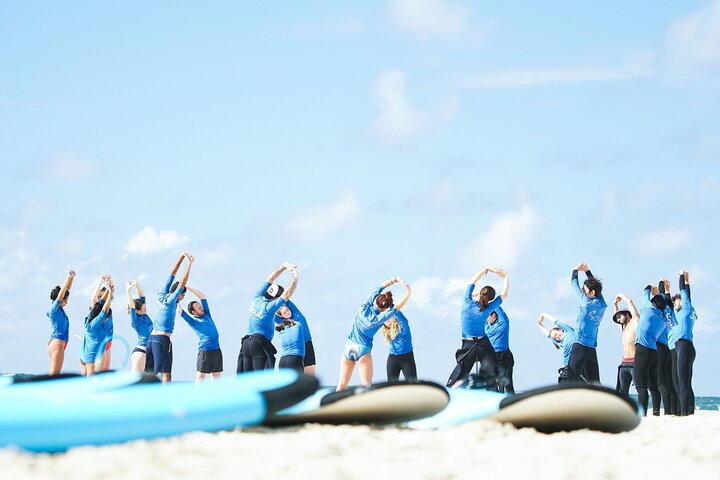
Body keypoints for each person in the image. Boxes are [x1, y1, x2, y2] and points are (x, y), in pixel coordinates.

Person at [336, 277, 408, 391]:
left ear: (376, 300)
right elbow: (396, 309)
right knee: (366, 385)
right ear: (385, 309)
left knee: (342, 384)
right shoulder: (379, 319)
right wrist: (408, 293)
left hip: (349, 347)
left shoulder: (363, 307)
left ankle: (333, 406)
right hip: (363, 350)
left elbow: (378, 288)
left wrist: (393, 280)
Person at [446, 266, 509, 389]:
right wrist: (505, 277)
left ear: (479, 294)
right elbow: (504, 295)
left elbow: (472, 281)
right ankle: (493, 398)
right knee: (491, 377)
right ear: (490, 299)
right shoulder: (489, 308)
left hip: (468, 346)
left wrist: (486, 269)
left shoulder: (466, 301)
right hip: (484, 346)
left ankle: (449, 394)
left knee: (459, 376)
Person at [237, 263, 299, 373]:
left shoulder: (257, 297)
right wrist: (295, 276)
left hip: (246, 343)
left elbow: (270, 278)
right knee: (261, 379)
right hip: (259, 343)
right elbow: (287, 294)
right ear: (275, 298)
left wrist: (284, 266)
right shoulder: (269, 307)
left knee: (246, 379)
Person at [148, 252, 193, 382]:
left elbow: (171, 274)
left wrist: (181, 257)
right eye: (183, 295)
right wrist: (189, 264)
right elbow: (182, 282)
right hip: (162, 339)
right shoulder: (172, 300)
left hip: (151, 340)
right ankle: (166, 401)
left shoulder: (162, 294)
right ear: (179, 294)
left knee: (150, 375)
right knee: (166, 375)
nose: (182, 298)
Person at [567, 261, 607, 383]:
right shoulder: (602, 304)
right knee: (596, 384)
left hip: (579, 346)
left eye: (584, 291)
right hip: (591, 349)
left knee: (570, 380)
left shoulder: (585, 303)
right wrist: (587, 271)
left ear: (592, 293)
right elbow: (596, 287)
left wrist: (575, 270)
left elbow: (574, 284)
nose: (583, 292)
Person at [634, 285, 667, 416]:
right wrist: (659, 295)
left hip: (642, 349)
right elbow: (663, 307)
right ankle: (656, 411)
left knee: (640, 385)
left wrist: (649, 288)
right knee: (653, 386)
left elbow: (645, 293)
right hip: (654, 352)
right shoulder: (663, 320)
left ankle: (642, 414)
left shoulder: (649, 310)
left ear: (654, 303)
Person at [178, 286, 222, 383]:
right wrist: (177, 295)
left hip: (216, 350)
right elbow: (179, 311)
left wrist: (187, 287)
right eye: (199, 308)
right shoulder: (193, 322)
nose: (202, 308)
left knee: (217, 377)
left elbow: (202, 296)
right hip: (205, 352)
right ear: (193, 312)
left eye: (201, 306)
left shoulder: (206, 314)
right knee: (200, 378)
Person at [381, 279, 415, 382]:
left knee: (413, 385)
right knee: (391, 388)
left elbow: (396, 310)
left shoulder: (403, 326)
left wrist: (389, 303)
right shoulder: (387, 332)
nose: (388, 321)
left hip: (407, 359)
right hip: (393, 359)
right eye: (385, 321)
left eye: (389, 318)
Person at [674, 270, 697, 416]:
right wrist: (687, 282)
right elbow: (686, 293)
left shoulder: (686, 308)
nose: (674, 303)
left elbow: (684, 292)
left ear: (682, 301)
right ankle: (689, 411)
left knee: (683, 383)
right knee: (687, 382)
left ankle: (684, 413)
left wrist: (681, 276)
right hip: (686, 347)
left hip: (683, 346)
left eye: (676, 301)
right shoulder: (685, 312)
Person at [79, 281, 113, 376]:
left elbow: (100, 304)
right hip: (91, 358)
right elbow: (104, 310)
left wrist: (109, 289)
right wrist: (109, 291)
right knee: (92, 382)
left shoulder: (90, 317)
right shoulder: (94, 325)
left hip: (85, 354)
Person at [275, 300, 316, 375]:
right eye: (284, 312)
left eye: (287, 310)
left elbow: (286, 299)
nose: (288, 312)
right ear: (281, 316)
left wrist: (277, 295)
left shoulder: (297, 314)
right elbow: (269, 314)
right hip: (296, 351)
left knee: (310, 376)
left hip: (307, 344)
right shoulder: (282, 321)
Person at [47, 270, 76, 375]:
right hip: (57, 343)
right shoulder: (54, 309)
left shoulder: (58, 309)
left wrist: (72, 278)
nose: (66, 302)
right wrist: (68, 277)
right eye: (65, 300)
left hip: (57, 343)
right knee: (54, 376)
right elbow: (60, 296)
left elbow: (66, 290)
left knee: (53, 374)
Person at [657, 279, 679, 415]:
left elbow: (663, 299)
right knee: (671, 382)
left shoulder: (660, 312)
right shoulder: (671, 313)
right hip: (671, 348)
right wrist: (667, 290)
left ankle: (669, 411)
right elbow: (666, 299)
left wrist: (663, 287)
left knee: (664, 382)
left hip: (664, 348)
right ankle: (674, 410)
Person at [612, 293, 639, 396]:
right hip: (624, 363)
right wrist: (615, 305)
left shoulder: (634, 323)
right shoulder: (623, 328)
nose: (618, 319)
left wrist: (620, 295)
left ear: (627, 314)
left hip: (634, 362)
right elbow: (616, 316)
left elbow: (630, 302)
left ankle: (641, 410)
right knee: (622, 390)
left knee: (639, 387)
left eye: (620, 316)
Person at [537, 312, 576, 383]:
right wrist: (539, 324)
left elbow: (555, 321)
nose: (557, 337)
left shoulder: (568, 331)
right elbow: (547, 333)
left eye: (556, 334)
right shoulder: (560, 343)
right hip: (568, 367)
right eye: (555, 337)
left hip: (579, 362)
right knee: (563, 383)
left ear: (560, 330)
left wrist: (544, 314)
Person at [126, 280, 153, 373]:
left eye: (145, 308)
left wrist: (137, 285)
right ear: (137, 311)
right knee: (137, 381)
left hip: (151, 350)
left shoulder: (144, 315)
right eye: (142, 309)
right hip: (141, 351)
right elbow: (132, 307)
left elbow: (142, 296)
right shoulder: (135, 321)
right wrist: (128, 290)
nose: (145, 310)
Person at [486, 306, 514, 393]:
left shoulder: (503, 323)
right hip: (491, 356)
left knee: (506, 384)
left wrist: (489, 300)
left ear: (494, 314)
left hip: (504, 356)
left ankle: (512, 403)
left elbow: (497, 306)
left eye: (487, 316)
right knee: (492, 384)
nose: (486, 319)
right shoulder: (486, 326)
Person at [89, 276, 114, 372]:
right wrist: (99, 282)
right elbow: (93, 298)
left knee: (105, 374)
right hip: (99, 343)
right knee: (99, 373)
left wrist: (110, 282)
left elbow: (112, 290)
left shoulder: (108, 310)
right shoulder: (97, 309)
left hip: (108, 343)